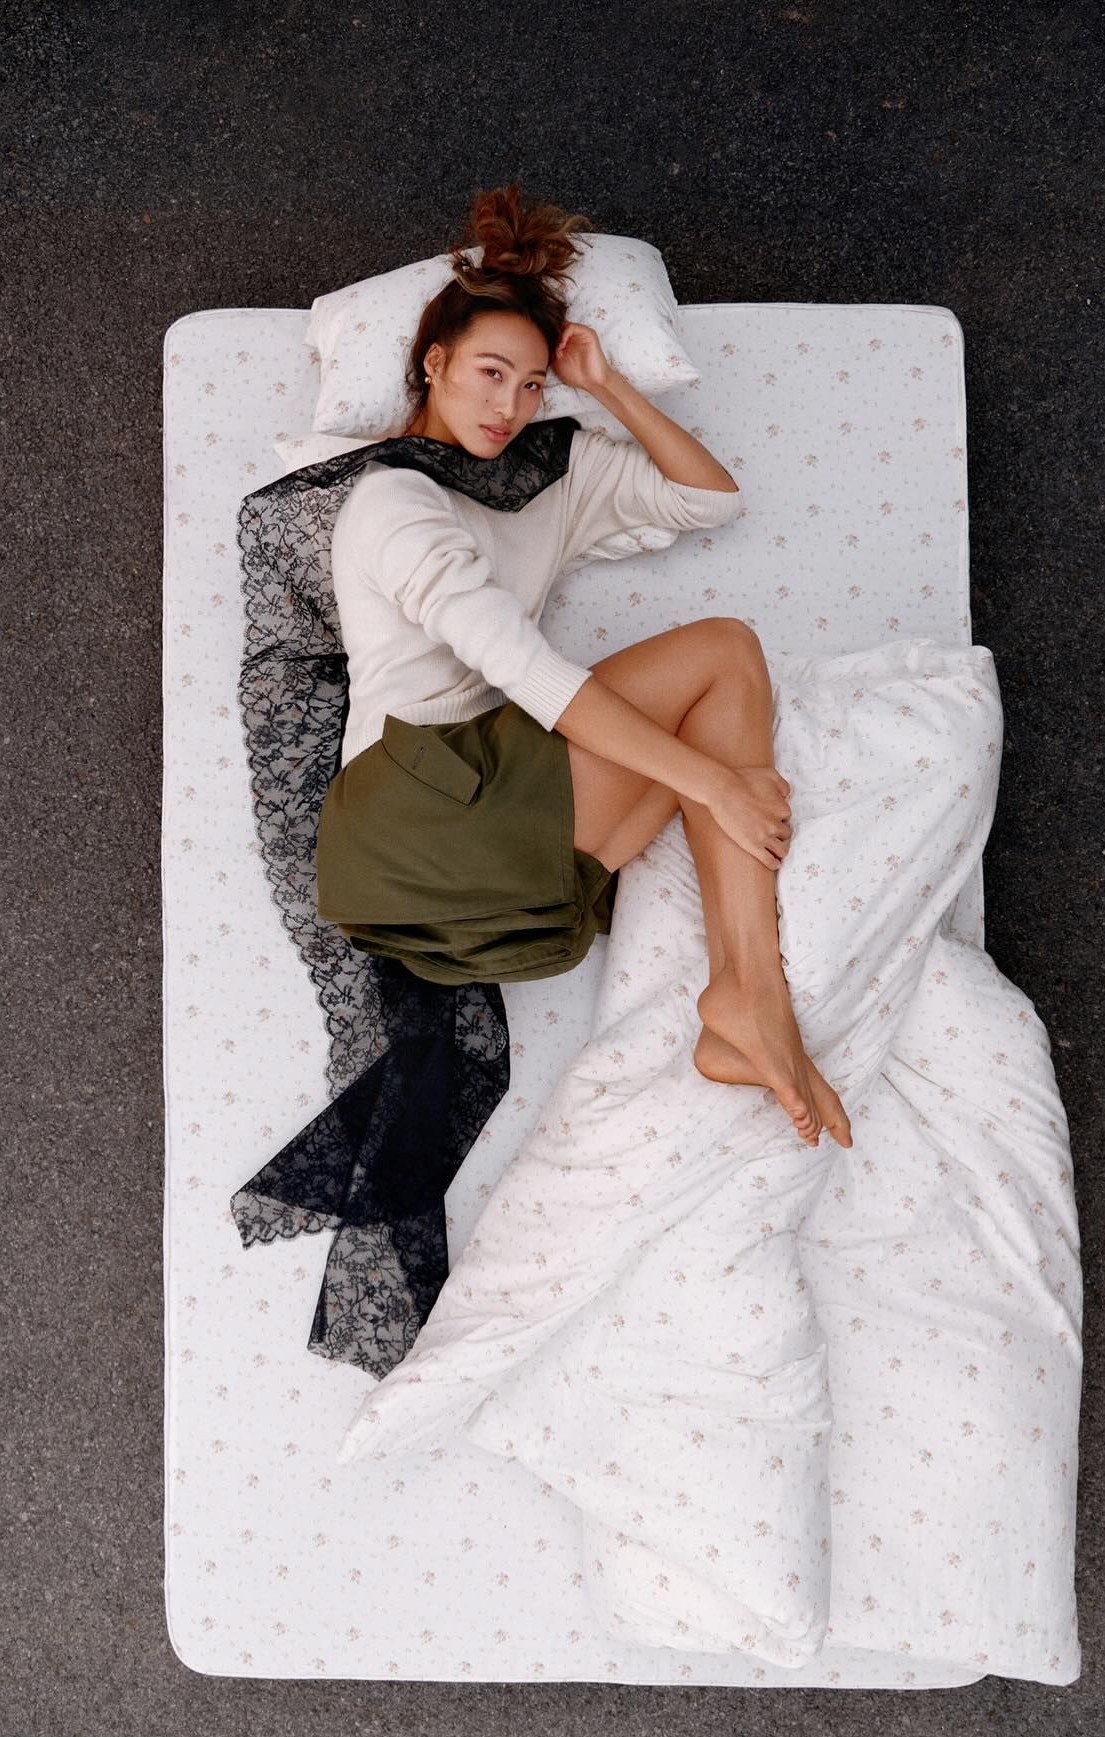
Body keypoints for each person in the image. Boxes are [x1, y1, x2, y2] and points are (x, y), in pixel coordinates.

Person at [317, 183, 851, 1152]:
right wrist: (719, 787)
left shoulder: (541, 474)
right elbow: (521, 666)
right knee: (724, 657)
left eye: (530, 385)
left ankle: (745, 996)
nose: (508, 406)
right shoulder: (392, 502)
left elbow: (710, 500)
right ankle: (747, 991)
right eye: (489, 373)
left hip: (487, 864)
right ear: (434, 363)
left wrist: (605, 388)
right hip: (415, 812)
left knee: (714, 704)